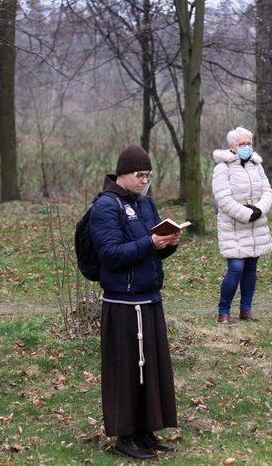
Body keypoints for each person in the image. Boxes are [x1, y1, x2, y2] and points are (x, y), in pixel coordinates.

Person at [89, 145, 181, 460]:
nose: (144, 181)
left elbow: (151, 249)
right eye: (139, 175)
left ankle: (146, 430)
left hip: (149, 297)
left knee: (150, 370)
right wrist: (150, 243)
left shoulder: (146, 204)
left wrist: (168, 243)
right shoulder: (105, 206)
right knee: (126, 370)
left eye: (147, 175)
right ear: (122, 175)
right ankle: (124, 436)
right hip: (123, 302)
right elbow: (110, 254)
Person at [212, 127, 272, 324]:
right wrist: (247, 214)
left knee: (250, 268)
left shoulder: (257, 165)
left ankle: (246, 310)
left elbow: (267, 191)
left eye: (249, 143)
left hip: (256, 225)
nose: (246, 147)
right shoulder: (223, 168)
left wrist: (259, 210)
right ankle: (224, 311)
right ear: (232, 146)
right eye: (242, 144)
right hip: (234, 226)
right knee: (236, 268)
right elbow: (223, 199)